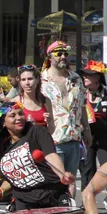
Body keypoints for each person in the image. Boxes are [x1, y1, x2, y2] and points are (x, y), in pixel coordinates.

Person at [41, 41, 91, 178]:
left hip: (74, 138)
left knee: (71, 180)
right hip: (53, 140)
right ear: (49, 56)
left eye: (65, 54)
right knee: (57, 181)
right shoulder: (41, 80)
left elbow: (82, 105)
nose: (63, 56)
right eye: (59, 53)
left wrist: (87, 130)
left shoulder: (75, 78)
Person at [80, 60, 107, 190]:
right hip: (87, 137)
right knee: (87, 171)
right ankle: (87, 198)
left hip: (105, 137)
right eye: (84, 75)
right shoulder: (81, 94)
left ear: (97, 78)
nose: (84, 77)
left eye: (88, 75)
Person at [15, 65, 54, 131]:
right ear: (20, 82)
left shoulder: (46, 101)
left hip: (42, 137)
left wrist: (49, 122)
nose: (27, 83)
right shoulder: (16, 102)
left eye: (30, 79)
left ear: (37, 79)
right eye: (23, 80)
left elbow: (51, 131)